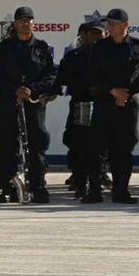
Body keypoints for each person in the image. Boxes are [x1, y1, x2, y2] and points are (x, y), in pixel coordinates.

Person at [0, 6, 57, 204]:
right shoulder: (5, 47)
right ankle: (7, 185)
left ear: (34, 22)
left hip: (34, 104)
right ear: (15, 23)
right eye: (22, 20)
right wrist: (14, 90)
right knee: (6, 145)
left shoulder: (42, 47)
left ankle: (38, 186)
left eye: (29, 20)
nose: (26, 23)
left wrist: (31, 90)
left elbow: (51, 75)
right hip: (10, 104)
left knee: (37, 145)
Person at [85, 8, 139, 204]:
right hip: (104, 103)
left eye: (114, 23)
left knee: (123, 148)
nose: (110, 27)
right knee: (97, 148)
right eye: (109, 23)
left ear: (126, 26)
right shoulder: (99, 48)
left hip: (127, 106)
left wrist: (126, 95)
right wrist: (112, 91)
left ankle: (121, 190)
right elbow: (92, 78)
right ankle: (94, 190)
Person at [55, 19, 104, 199]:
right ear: (84, 35)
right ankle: (80, 182)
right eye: (92, 33)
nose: (95, 37)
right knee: (79, 146)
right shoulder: (73, 56)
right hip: (80, 105)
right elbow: (62, 78)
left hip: (103, 106)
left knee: (99, 148)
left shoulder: (108, 54)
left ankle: (97, 183)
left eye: (99, 33)